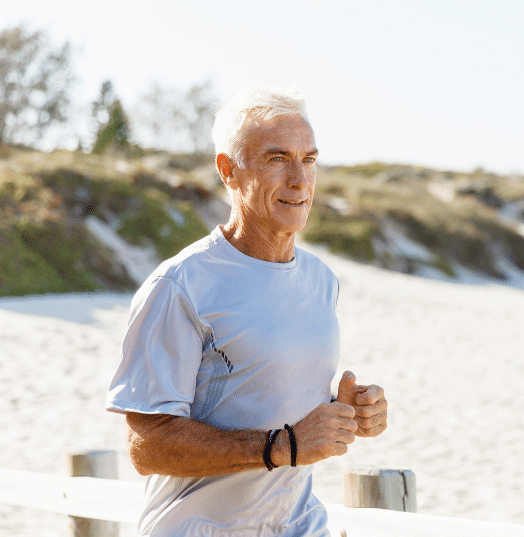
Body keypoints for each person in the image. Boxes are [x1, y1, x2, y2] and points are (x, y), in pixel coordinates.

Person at [106, 85, 388, 537]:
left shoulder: (321, 281)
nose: (299, 179)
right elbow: (147, 444)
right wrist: (282, 446)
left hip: (299, 526)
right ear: (228, 171)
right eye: (277, 159)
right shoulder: (181, 286)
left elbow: (268, 396)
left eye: (309, 159)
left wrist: (347, 413)